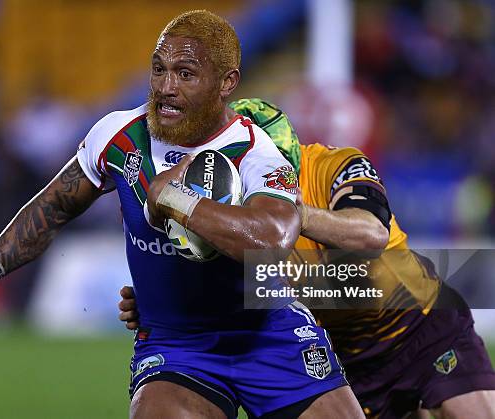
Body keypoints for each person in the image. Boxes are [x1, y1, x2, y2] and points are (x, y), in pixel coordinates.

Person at [0, 11, 364, 419]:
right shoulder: (117, 135)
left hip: (269, 334)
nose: (166, 87)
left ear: (227, 83)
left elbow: (272, 240)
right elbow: (52, 207)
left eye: (185, 74)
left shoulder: (256, 153)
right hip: (178, 345)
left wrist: (178, 202)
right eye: (158, 69)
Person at [118, 98, 495, 419]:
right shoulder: (229, 212)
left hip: (420, 323)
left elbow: (371, 234)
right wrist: (159, 300)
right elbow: (226, 291)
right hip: (341, 360)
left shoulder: (337, 164)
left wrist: (298, 215)